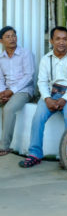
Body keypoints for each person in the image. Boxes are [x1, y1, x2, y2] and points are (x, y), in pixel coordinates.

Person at [19, 26, 67, 168]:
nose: (61, 42)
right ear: (52, 40)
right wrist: (47, 98)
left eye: (65, 39)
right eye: (58, 39)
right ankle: (35, 154)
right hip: (50, 94)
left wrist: (64, 98)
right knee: (37, 118)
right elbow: (41, 81)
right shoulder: (46, 59)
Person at [0, 26, 35, 156]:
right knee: (6, 104)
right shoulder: (1, 58)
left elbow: (29, 76)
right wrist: (3, 92)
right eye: (8, 37)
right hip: (8, 91)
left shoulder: (26, 53)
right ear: (1, 41)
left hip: (24, 90)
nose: (12, 39)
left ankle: (4, 146)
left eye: (13, 35)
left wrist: (12, 92)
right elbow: (0, 79)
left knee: (8, 109)